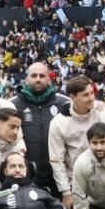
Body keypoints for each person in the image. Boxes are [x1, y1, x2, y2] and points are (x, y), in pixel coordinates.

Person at [48, 76, 105, 209]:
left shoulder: (104, 114)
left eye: (92, 93)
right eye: (85, 95)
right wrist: (66, 192)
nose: (91, 98)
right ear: (72, 97)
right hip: (78, 185)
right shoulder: (59, 122)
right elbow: (56, 160)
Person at [11, 61, 70, 192]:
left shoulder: (63, 103)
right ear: (27, 79)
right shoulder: (12, 105)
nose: (38, 79)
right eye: (34, 76)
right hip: (26, 176)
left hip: (58, 176)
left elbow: (86, 109)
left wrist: (99, 104)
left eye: (42, 76)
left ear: (49, 79)